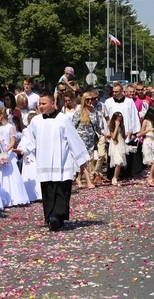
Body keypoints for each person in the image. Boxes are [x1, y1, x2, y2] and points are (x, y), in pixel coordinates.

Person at [25, 92, 90, 231]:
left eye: (43, 104)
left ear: (52, 104)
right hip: (45, 161)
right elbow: (29, 139)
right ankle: (51, 218)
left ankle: (58, 217)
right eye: (39, 104)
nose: (41, 106)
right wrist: (22, 150)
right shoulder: (36, 121)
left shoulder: (63, 119)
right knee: (48, 191)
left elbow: (74, 139)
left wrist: (81, 160)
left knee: (61, 190)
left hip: (62, 161)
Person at [107, 112, 127, 185]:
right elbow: (113, 136)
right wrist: (116, 127)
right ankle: (114, 178)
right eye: (118, 118)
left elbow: (123, 137)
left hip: (121, 145)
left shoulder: (122, 126)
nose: (119, 119)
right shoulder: (112, 126)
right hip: (115, 145)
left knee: (120, 163)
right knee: (118, 162)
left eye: (121, 118)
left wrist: (127, 135)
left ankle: (116, 176)